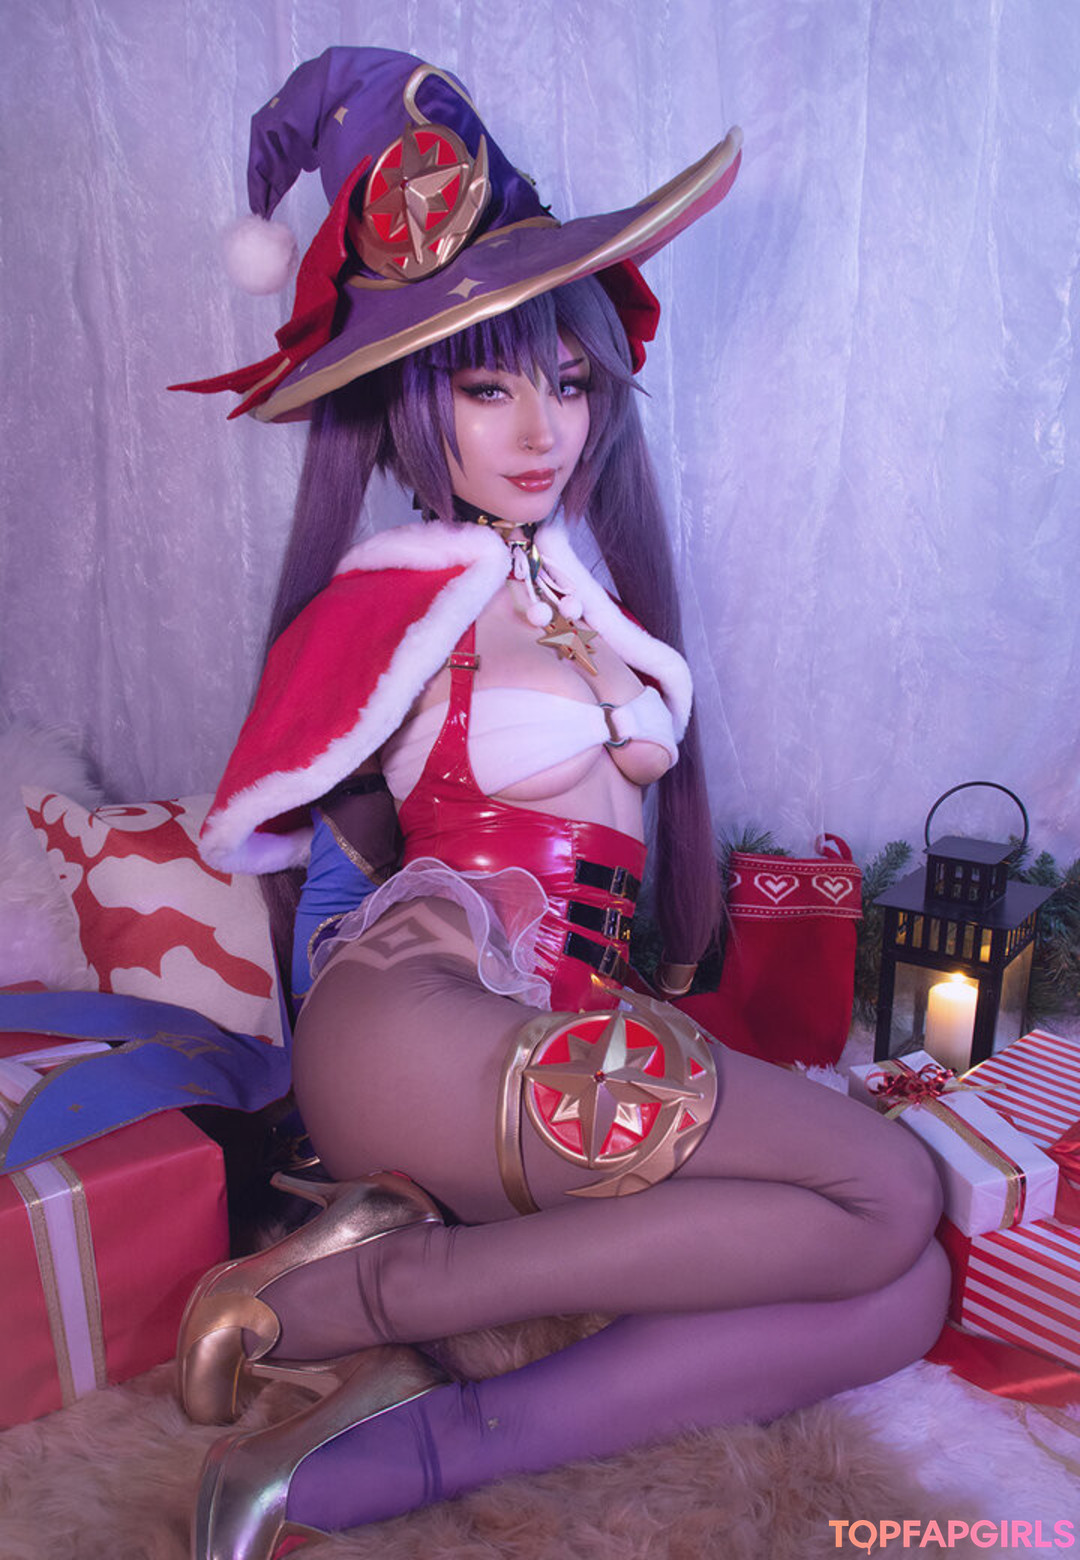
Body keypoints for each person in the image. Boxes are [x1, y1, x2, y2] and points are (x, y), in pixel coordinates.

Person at [172, 47, 949, 1560]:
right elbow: (254, 818)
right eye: (489, 387)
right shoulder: (408, 586)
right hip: (417, 1024)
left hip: (536, 1032)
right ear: (418, 406)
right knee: (885, 1188)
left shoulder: (577, 589)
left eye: (570, 381)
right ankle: (357, 1292)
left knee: (899, 1287)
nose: (543, 430)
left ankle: (361, 1462)